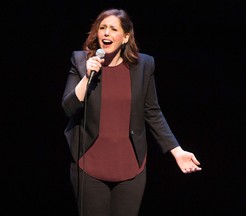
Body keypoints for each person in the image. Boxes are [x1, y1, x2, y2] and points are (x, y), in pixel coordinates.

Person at [61, 8, 202, 216]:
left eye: (113, 29)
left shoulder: (143, 65)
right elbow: (68, 108)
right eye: (102, 28)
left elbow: (152, 111)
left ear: (126, 36)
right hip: (90, 166)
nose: (106, 33)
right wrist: (87, 76)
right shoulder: (81, 62)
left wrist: (177, 150)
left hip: (130, 167)